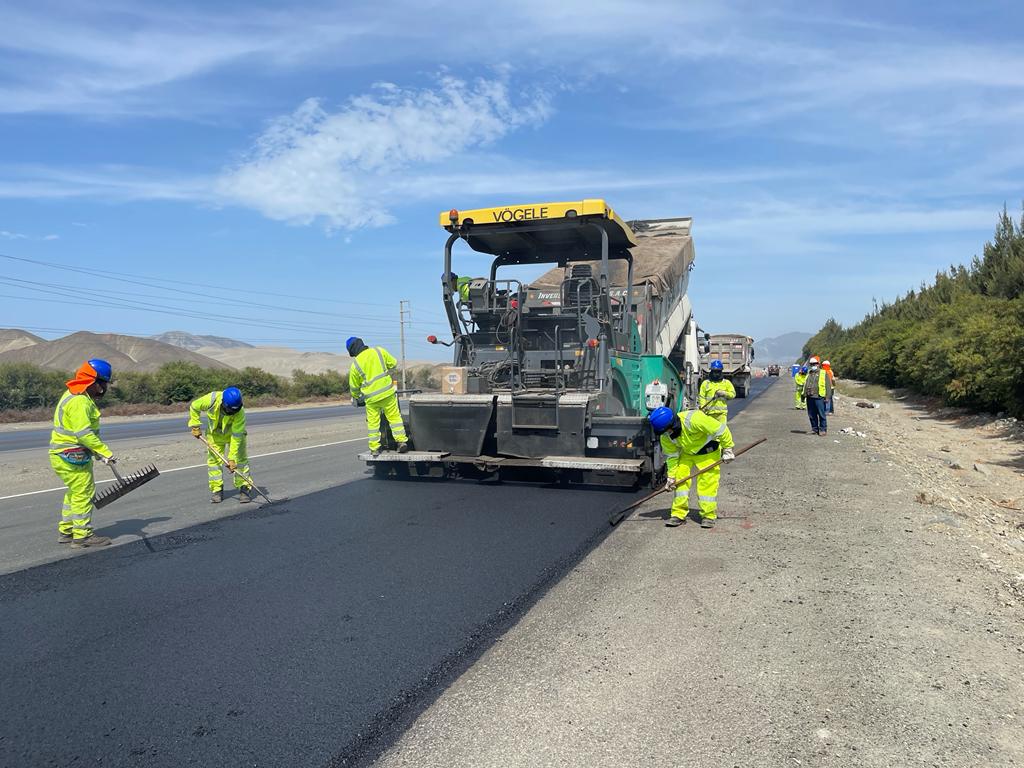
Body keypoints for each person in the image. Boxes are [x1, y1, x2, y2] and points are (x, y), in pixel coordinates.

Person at [49, 359, 117, 547]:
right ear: (94, 382)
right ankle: (82, 535)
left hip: (64, 453)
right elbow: (83, 433)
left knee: (75, 492)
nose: (103, 389)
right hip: (72, 454)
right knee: (84, 493)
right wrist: (105, 451)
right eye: (103, 384)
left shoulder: (73, 394)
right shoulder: (80, 401)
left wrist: (96, 453)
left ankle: (67, 530)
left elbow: (80, 433)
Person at [649, 405, 735, 529]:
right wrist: (671, 477)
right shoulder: (665, 436)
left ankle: (708, 516)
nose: (667, 434)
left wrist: (728, 448)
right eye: (664, 432)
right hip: (688, 452)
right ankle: (678, 515)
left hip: (708, 451)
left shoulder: (694, 419)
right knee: (679, 480)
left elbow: (720, 429)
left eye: (668, 430)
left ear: (673, 425)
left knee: (707, 483)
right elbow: (672, 457)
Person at [347, 336, 409, 456]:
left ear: (352, 351)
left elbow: (354, 386)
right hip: (387, 393)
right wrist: (386, 371)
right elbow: (394, 363)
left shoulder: (355, 364)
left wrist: (356, 396)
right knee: (395, 418)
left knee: (373, 423)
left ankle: (374, 448)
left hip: (371, 398)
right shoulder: (379, 351)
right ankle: (401, 442)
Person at [189, 386, 250, 503]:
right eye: (230, 410)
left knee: (240, 460)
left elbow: (237, 437)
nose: (232, 413)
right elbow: (194, 406)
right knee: (214, 463)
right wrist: (195, 425)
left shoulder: (240, 413)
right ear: (223, 403)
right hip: (215, 435)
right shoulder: (211, 400)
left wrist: (231, 458)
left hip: (234, 435)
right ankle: (217, 490)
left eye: (234, 411)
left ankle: (244, 488)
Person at [803, 357, 833, 435]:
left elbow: (828, 386)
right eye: (812, 364)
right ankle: (814, 429)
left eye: (814, 364)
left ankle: (823, 429)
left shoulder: (823, 373)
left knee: (821, 414)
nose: (813, 365)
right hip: (810, 397)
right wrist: (804, 395)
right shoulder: (809, 373)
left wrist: (827, 397)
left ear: (818, 364)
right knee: (811, 414)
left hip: (819, 397)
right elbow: (805, 384)